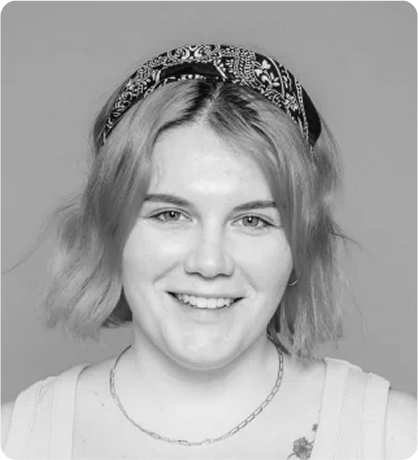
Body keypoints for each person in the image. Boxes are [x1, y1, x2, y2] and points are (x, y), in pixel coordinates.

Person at [0, 43, 417, 460]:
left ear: (300, 245)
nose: (210, 263)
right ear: (110, 230)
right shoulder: (16, 439)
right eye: (170, 215)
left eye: (252, 221)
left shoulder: (395, 437)